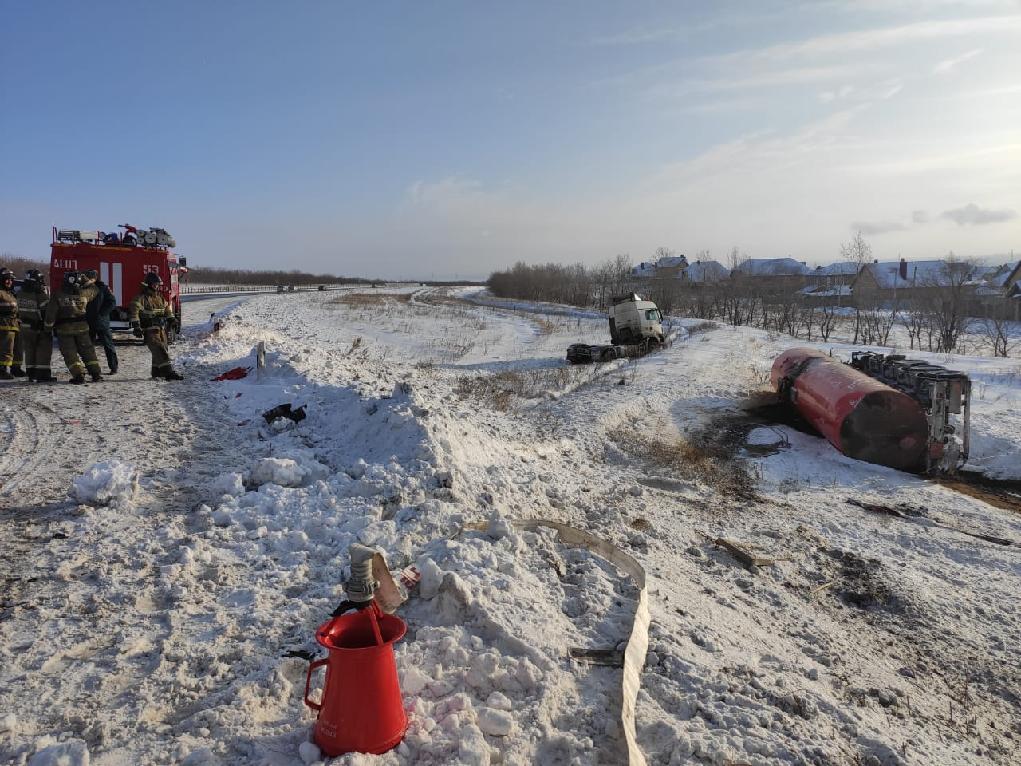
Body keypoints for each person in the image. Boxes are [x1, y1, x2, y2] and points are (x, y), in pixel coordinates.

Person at [44, 271, 102, 384]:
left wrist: (48, 328)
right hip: (82, 329)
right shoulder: (84, 293)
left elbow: (50, 314)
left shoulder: (58, 294)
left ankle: (78, 375)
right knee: (88, 351)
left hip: (64, 329)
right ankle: (96, 374)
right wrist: (85, 279)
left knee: (70, 354)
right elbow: (95, 289)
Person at [129, 272, 183, 381]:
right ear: (148, 284)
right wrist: (136, 326)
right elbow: (134, 312)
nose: (157, 287)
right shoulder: (140, 298)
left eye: (158, 285)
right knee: (159, 349)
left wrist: (171, 318)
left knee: (161, 349)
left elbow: (167, 308)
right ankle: (169, 373)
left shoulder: (160, 297)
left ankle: (157, 373)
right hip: (150, 329)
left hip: (161, 328)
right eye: (154, 284)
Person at [16, 269, 54, 382]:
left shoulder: (20, 293)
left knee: (29, 350)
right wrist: (48, 326)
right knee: (43, 349)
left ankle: (31, 374)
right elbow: (46, 312)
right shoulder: (40, 295)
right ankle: (43, 375)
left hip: (24, 327)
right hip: (38, 327)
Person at [82, 269, 118, 374]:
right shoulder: (83, 288)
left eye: (90, 277)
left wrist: (102, 313)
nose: (88, 279)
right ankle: (91, 368)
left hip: (101, 323)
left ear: (94, 278)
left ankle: (113, 367)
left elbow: (112, 302)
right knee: (88, 348)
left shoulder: (103, 288)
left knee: (108, 346)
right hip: (88, 322)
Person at [0, 268, 19, 380]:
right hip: (3, 325)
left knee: (9, 349)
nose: (9, 282)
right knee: (5, 349)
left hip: (11, 325)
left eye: (11, 280)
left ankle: (7, 369)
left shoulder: (9, 293)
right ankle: (2, 370)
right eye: (7, 279)